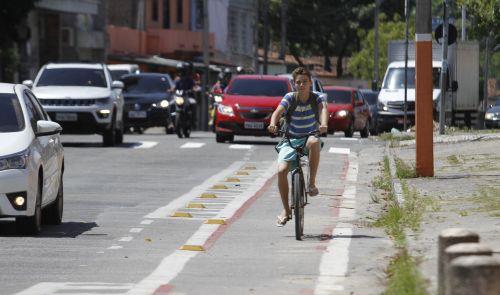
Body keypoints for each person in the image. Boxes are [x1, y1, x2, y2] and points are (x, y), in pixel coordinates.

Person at [267, 67, 328, 227]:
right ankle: (286, 210)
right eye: (298, 82)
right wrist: (273, 124)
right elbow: (277, 112)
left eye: (305, 82)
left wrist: (324, 124)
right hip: (290, 139)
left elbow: (323, 110)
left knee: (314, 142)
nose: (301, 85)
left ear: (310, 83)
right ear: (294, 84)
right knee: (281, 171)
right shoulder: (290, 98)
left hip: (309, 137)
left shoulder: (317, 98)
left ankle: (311, 183)